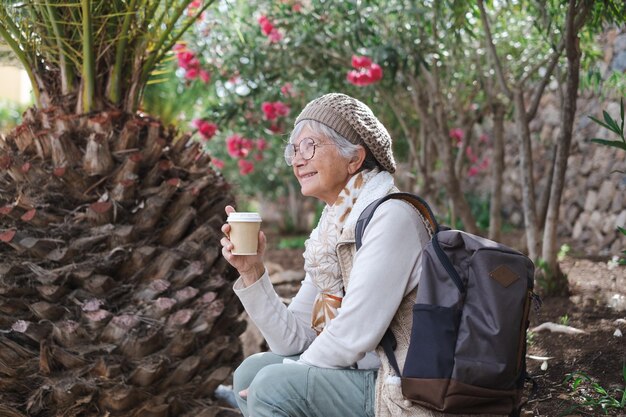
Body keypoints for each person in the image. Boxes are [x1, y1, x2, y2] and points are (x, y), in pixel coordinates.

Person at [220, 93, 476, 417]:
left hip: (401, 387)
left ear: (354, 159)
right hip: (359, 372)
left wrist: (280, 380)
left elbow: (353, 336)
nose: (298, 160)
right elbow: (294, 338)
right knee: (251, 372)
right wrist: (251, 271)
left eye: (310, 146)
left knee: (271, 383)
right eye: (294, 150)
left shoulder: (391, 217)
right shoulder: (333, 229)